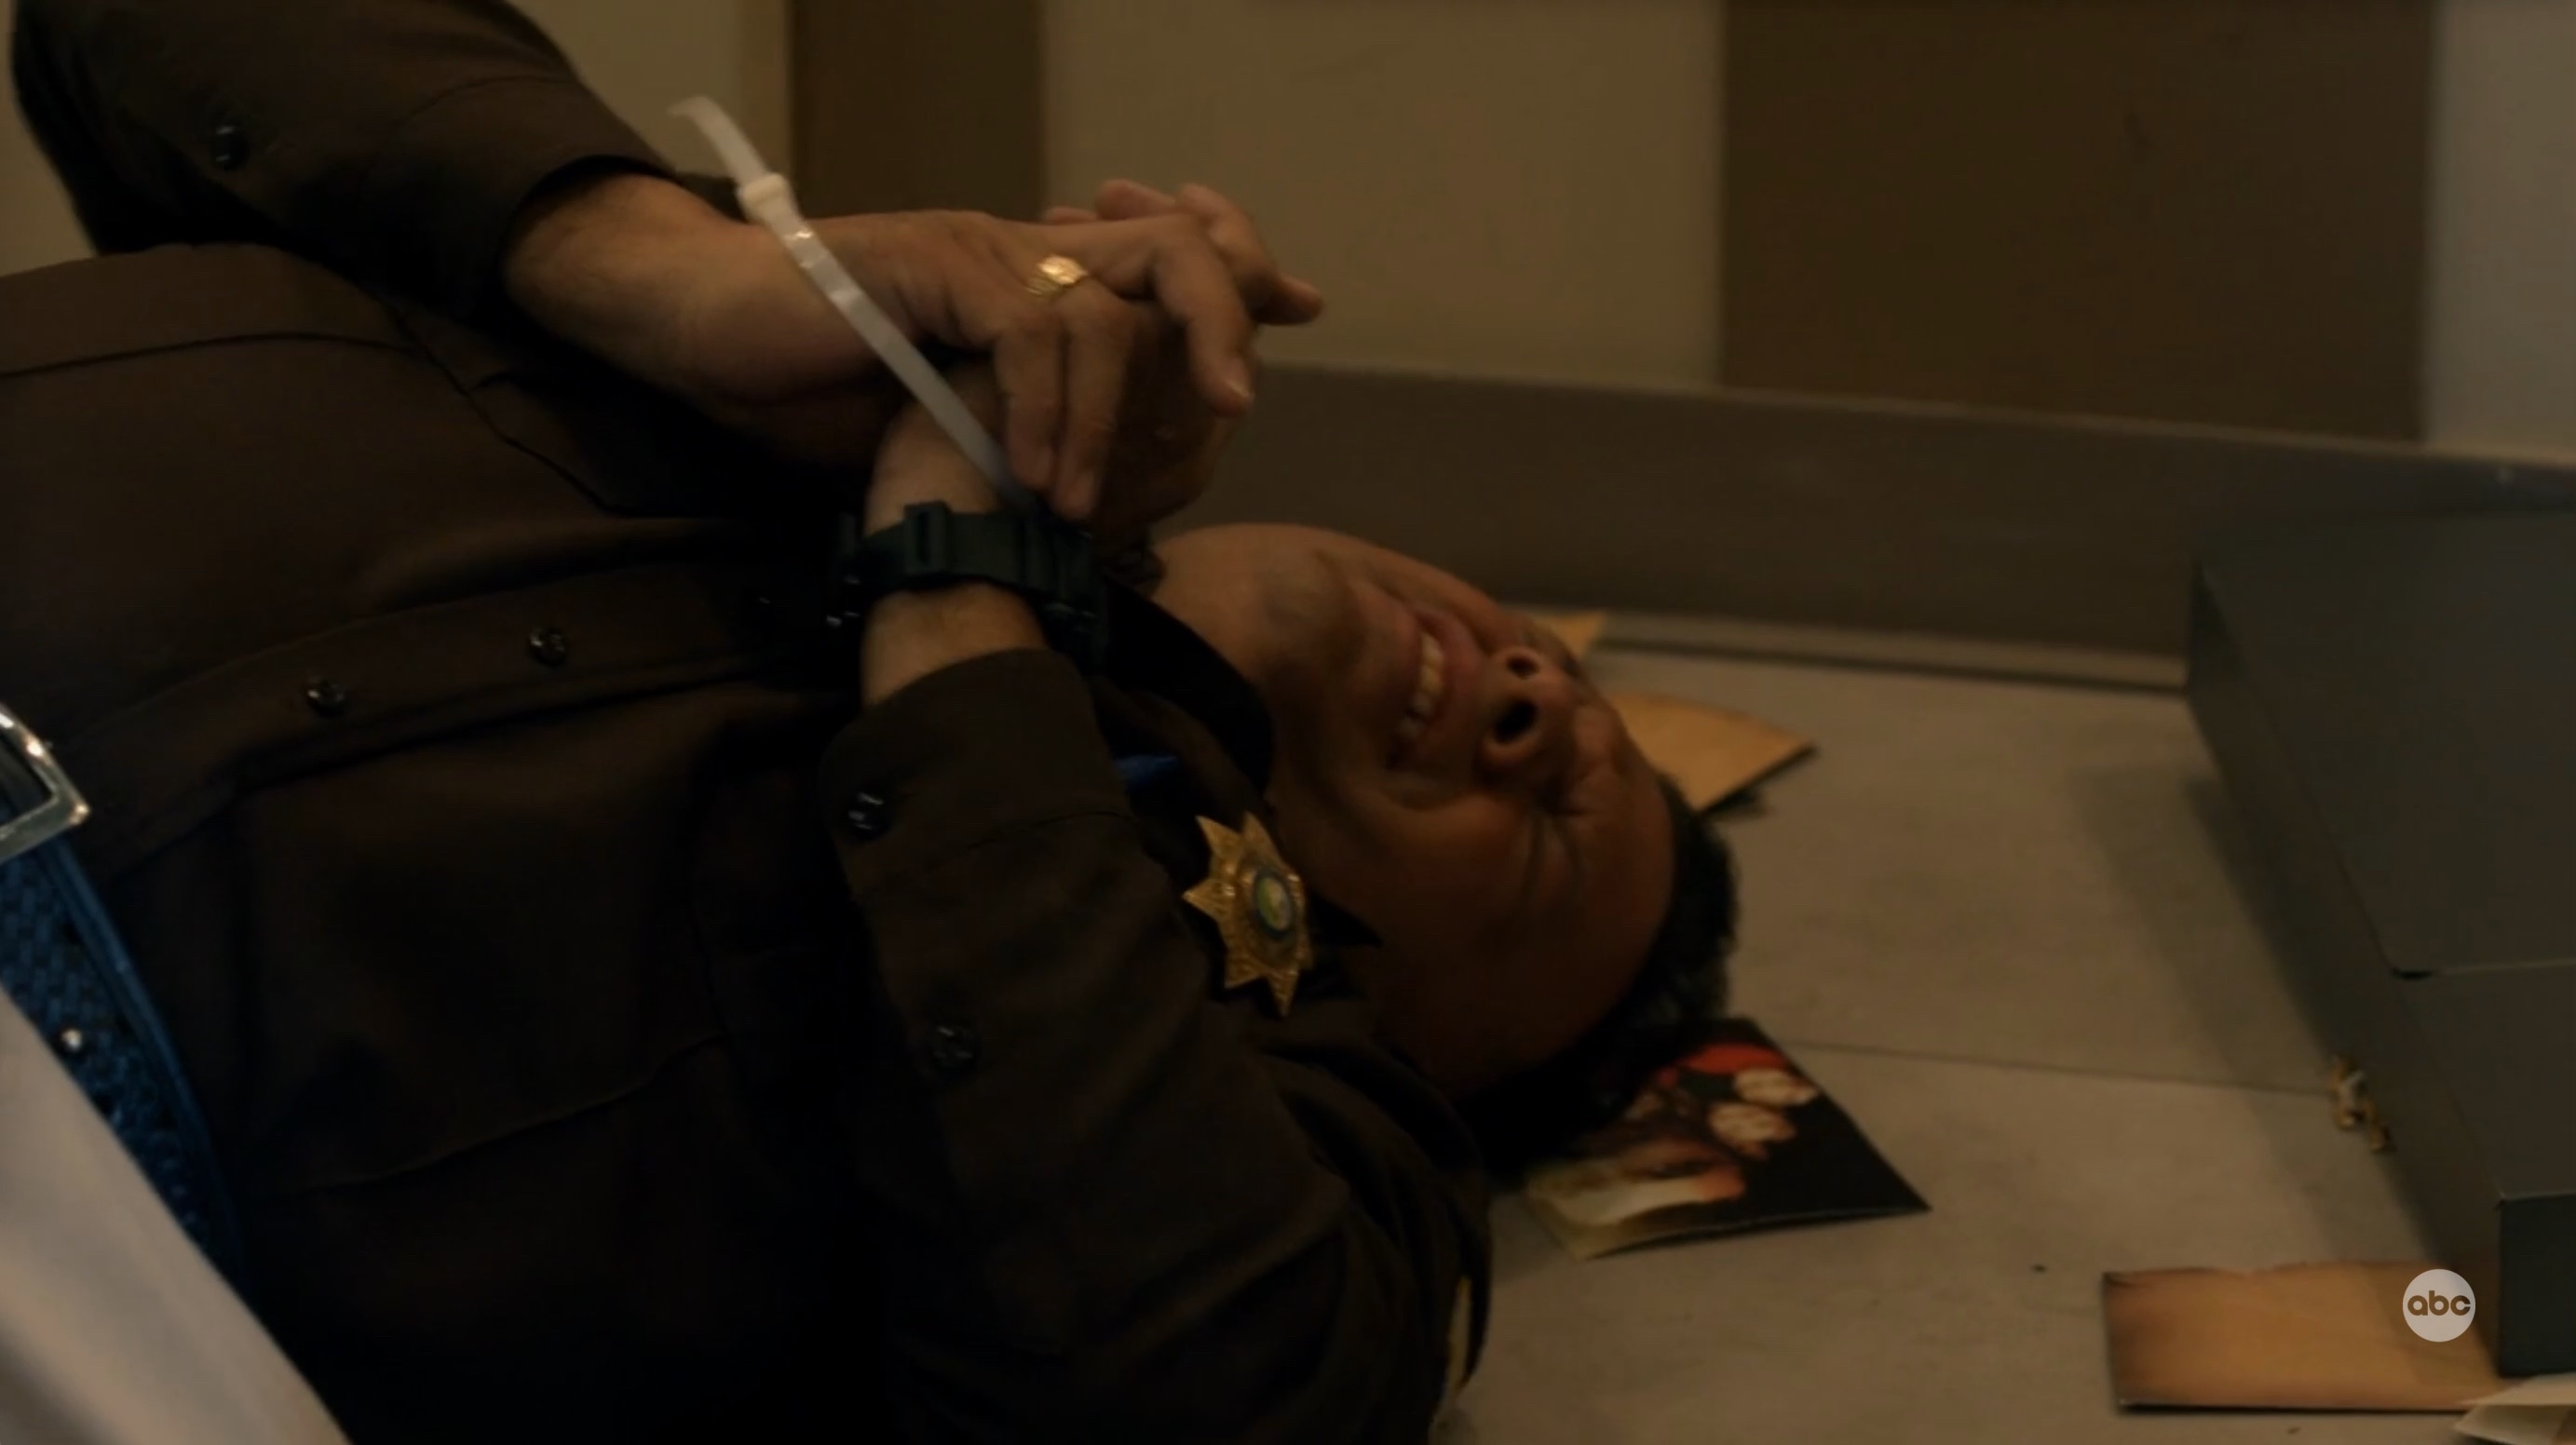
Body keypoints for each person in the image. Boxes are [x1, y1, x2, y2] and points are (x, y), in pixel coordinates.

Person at [2, 1, 1738, 1438]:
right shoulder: (793, 352)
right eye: (1562, 674)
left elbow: (1219, 1385)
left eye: (1549, 836)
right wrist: (656, 269)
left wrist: (961, 593)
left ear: (1425, 1082)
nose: (1532, 697)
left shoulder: (1233, 1141)